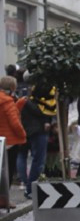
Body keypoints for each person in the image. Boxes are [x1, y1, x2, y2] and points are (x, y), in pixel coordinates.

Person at [16, 84, 55, 199]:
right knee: (38, 159)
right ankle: (30, 187)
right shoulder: (38, 102)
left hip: (24, 130)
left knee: (22, 155)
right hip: (37, 131)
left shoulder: (22, 100)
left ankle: (24, 181)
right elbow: (44, 112)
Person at [0, 75, 26, 208]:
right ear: (12, 87)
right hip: (9, 141)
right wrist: (22, 134)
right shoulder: (8, 102)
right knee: (7, 172)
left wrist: (18, 105)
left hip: (0, 141)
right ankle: (4, 200)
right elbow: (14, 123)